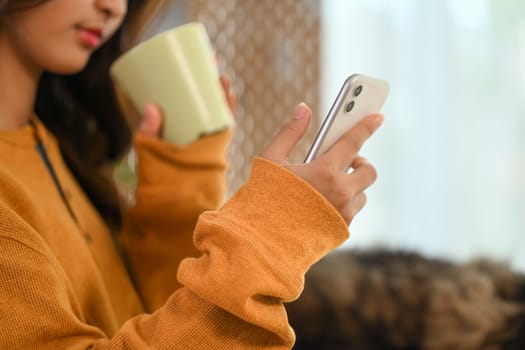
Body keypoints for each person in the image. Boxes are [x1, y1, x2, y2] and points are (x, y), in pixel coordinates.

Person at [0, 0, 383, 348]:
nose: (113, 7)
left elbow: (152, 316)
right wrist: (276, 232)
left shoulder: (52, 144)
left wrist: (183, 176)